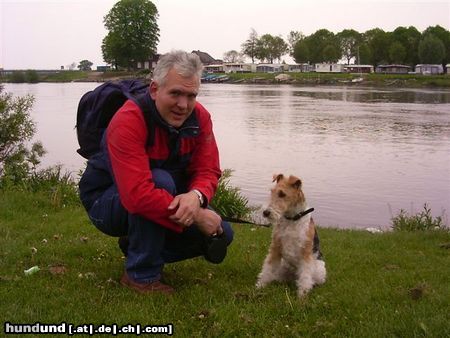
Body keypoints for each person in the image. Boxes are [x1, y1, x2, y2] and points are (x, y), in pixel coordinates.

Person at [78, 50, 234, 294]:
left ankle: (138, 245)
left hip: (158, 197)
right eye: (175, 93)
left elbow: (208, 169)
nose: (183, 105)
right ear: (154, 89)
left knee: (222, 234)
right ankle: (140, 276)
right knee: (160, 181)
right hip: (106, 202)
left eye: (191, 95)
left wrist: (196, 197)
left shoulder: (200, 117)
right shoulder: (129, 119)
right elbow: (137, 195)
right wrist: (197, 216)